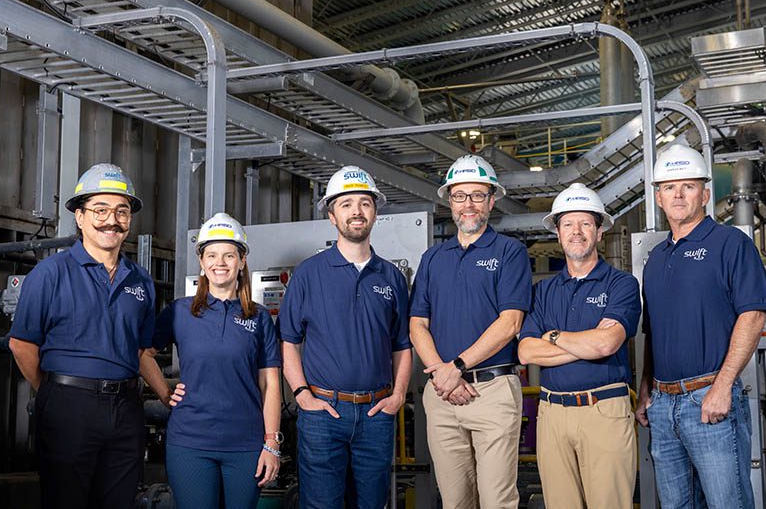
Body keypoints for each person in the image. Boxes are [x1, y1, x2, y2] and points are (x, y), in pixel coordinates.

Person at [7, 163, 155, 509]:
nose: (111, 220)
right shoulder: (49, 274)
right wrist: (53, 391)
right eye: (100, 210)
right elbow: (21, 344)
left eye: (121, 211)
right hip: (67, 405)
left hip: (126, 408)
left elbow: (141, 351)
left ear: (130, 220)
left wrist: (163, 393)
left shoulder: (141, 280)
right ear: (80, 216)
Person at [635, 144, 766, 508]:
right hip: (663, 406)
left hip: (709, 397)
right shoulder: (655, 259)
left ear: (706, 193)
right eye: (669, 187)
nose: (678, 195)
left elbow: (754, 315)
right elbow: (655, 330)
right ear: (658, 197)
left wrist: (723, 386)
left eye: (688, 186)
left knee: (727, 502)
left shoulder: (731, 244)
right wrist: (646, 386)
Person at [278, 166, 412, 509]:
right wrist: (302, 395)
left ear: (375, 212)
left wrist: (398, 396)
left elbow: (402, 344)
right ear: (332, 215)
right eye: (347, 203)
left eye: (364, 203)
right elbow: (289, 341)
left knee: (371, 504)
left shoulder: (392, 277)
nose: (356, 211)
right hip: (323, 413)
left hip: (376, 414)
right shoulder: (308, 274)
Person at [409, 154, 531, 509]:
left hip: (492, 392)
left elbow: (510, 323)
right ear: (450, 201)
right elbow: (417, 324)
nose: (469, 205)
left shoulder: (510, 252)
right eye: (461, 196)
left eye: (478, 195)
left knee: (496, 500)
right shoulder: (433, 257)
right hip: (442, 394)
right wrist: (442, 375)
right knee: (455, 501)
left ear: (492, 200)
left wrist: (456, 367)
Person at [140, 212, 282, 509]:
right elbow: (142, 354)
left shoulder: (258, 318)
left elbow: (269, 383)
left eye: (229, 255)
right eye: (212, 255)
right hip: (190, 443)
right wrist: (164, 391)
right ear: (202, 263)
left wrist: (272, 443)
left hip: (246, 444)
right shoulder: (180, 311)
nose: (220, 263)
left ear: (242, 261)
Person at [518, 182, 640, 508]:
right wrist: (585, 341)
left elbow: (606, 344)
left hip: (604, 411)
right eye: (568, 224)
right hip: (552, 413)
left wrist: (554, 336)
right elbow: (526, 351)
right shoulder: (543, 291)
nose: (577, 231)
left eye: (586, 223)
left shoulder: (622, 284)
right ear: (557, 233)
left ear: (600, 232)